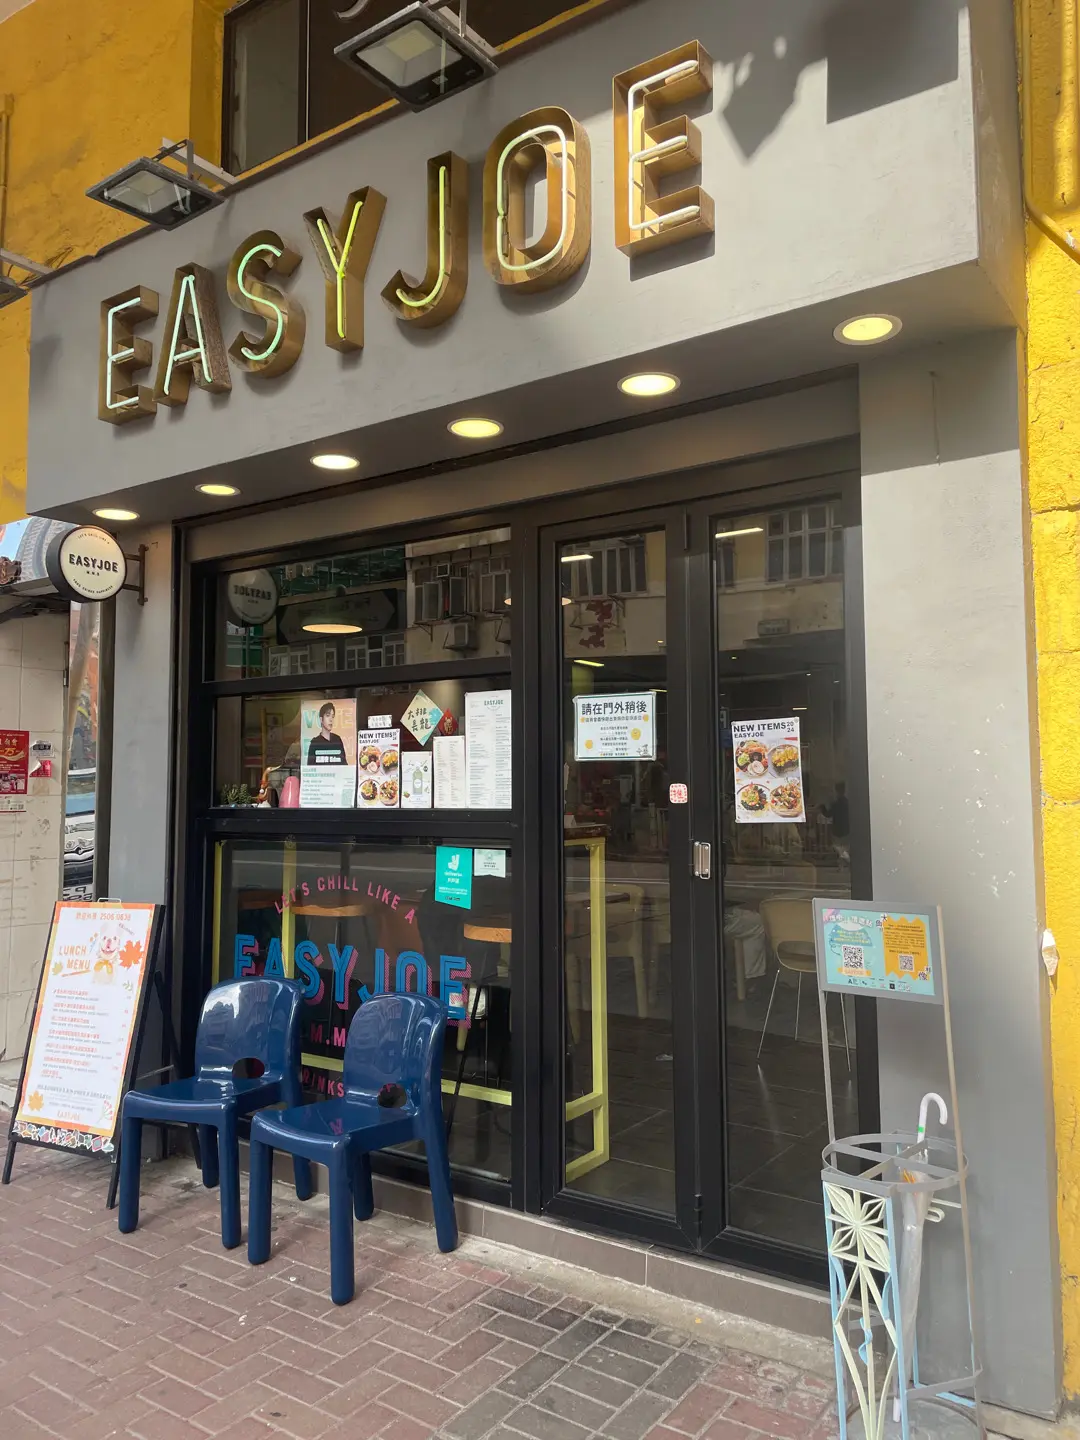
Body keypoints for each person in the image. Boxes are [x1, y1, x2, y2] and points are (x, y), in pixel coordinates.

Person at [820, 780, 850, 862]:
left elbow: (828, 814)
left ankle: (843, 861)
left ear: (837, 791)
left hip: (837, 830)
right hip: (846, 829)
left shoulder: (836, 804)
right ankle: (845, 861)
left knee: (838, 847)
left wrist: (822, 807)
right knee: (845, 847)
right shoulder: (848, 803)